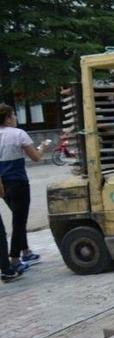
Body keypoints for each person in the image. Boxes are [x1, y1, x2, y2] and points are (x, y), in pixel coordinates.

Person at [0, 104, 48, 282]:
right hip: (18, 182)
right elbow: (36, 157)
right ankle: (15, 259)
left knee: (17, 216)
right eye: (13, 115)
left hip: (2, 183)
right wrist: (43, 147)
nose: (15, 118)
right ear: (7, 118)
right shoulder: (18, 134)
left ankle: (25, 251)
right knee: (19, 221)